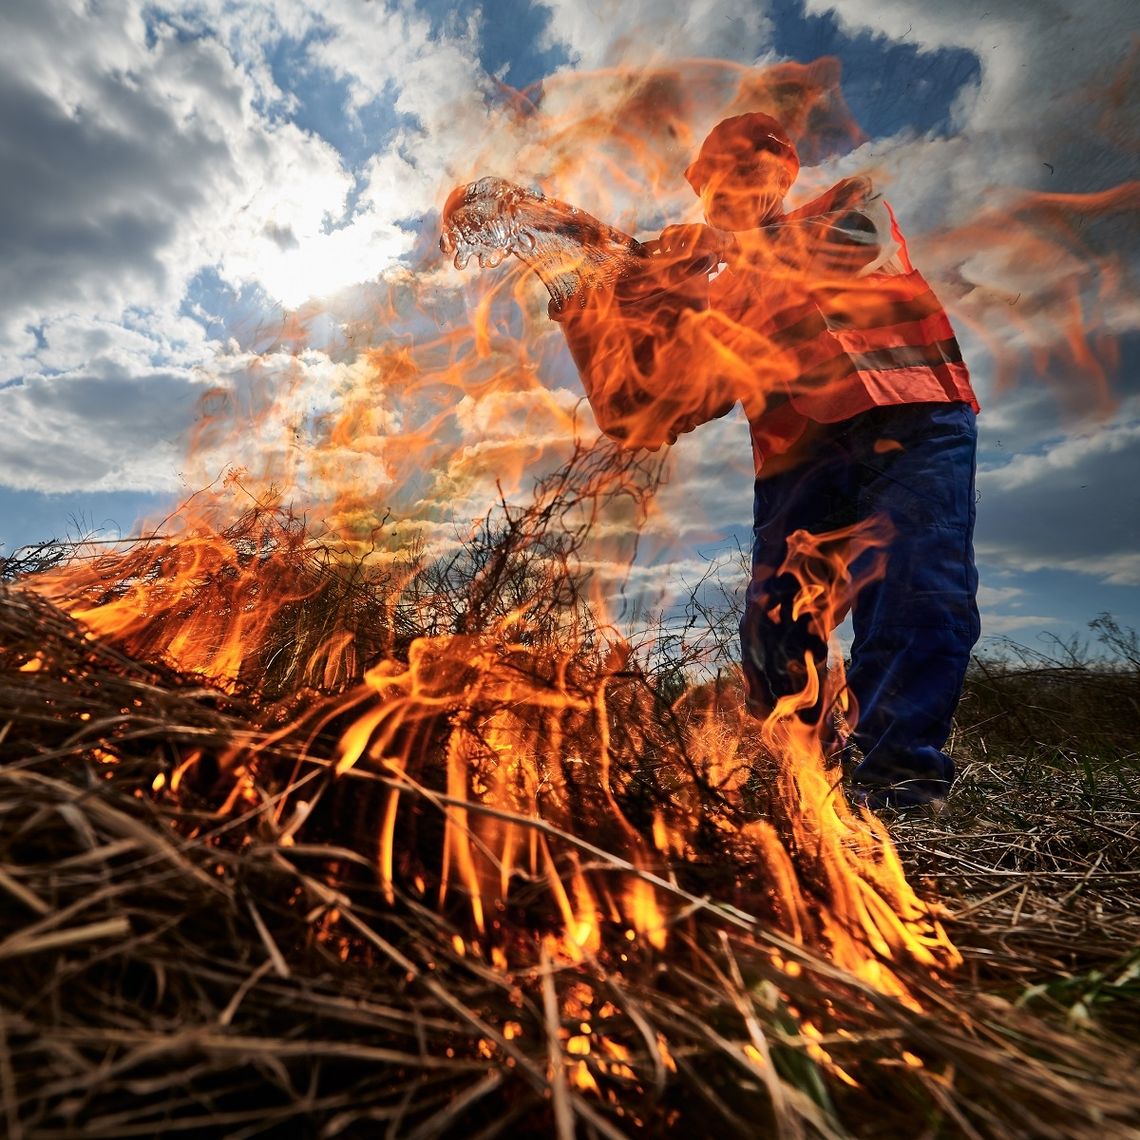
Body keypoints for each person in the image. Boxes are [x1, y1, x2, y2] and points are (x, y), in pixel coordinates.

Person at [554, 112, 981, 809]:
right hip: (800, 456)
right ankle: (810, 780)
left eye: (750, 170)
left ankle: (896, 778)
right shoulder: (719, 297)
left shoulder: (849, 206)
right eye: (717, 180)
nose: (733, 188)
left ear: (782, 174)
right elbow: (639, 416)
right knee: (775, 630)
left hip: (912, 414)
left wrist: (696, 256)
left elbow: (839, 253)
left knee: (916, 584)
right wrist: (592, 311)